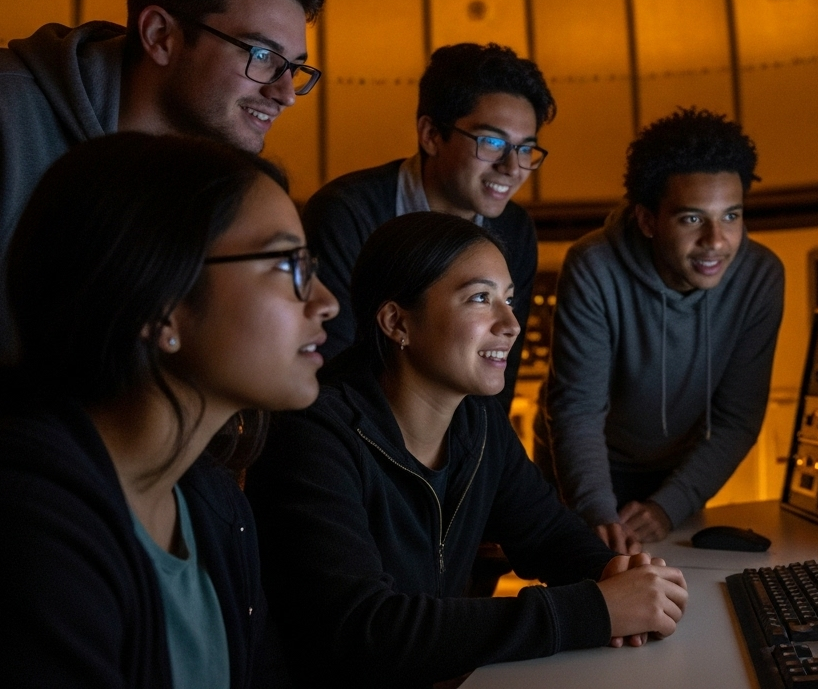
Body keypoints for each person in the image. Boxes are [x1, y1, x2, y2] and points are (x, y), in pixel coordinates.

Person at [0, 132, 339, 687]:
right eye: (287, 265)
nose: (326, 301)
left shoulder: (215, 507)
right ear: (159, 304)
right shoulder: (21, 525)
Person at [246, 212, 688, 688]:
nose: (512, 324)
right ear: (397, 322)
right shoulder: (312, 433)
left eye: (509, 300)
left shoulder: (478, 421)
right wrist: (593, 610)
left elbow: (545, 533)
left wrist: (618, 572)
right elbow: (364, 628)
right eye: (480, 298)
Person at [0, 0, 324, 410]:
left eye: (297, 68)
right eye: (263, 55)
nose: (285, 93)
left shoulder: (225, 178)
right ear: (160, 35)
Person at [535, 108, 786, 554]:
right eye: (692, 219)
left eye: (731, 216)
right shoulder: (593, 266)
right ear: (647, 221)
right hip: (581, 464)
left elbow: (737, 418)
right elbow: (577, 410)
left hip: (675, 473)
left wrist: (671, 505)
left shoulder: (761, 276)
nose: (716, 241)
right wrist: (597, 513)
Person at [303, 42, 551, 410]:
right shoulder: (346, 213)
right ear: (431, 135)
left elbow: (499, 376)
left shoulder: (514, 228)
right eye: (492, 142)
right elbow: (329, 371)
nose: (512, 168)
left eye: (526, 149)